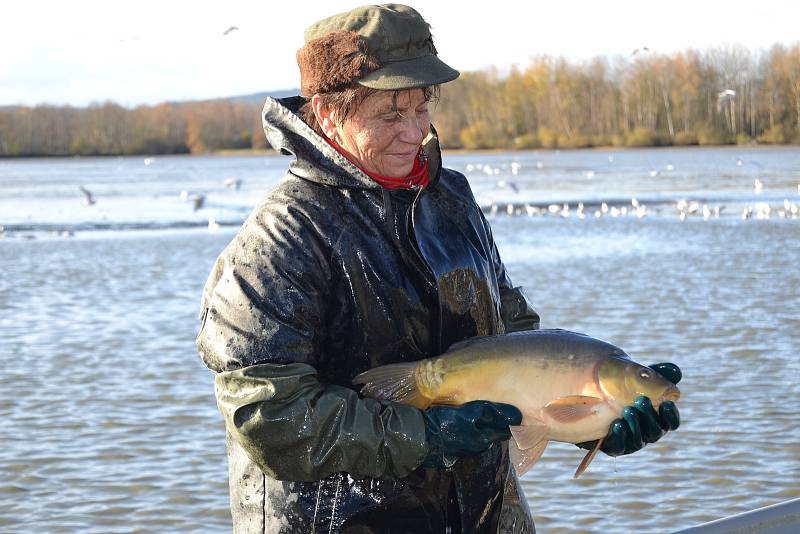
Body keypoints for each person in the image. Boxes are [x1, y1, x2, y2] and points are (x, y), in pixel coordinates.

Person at [196, 5, 680, 533]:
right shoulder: (281, 237)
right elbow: (268, 416)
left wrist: (594, 419)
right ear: (328, 113)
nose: (413, 131)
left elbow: (513, 337)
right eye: (389, 115)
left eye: (421, 105)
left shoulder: (451, 198)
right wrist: (424, 436)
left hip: (485, 515)